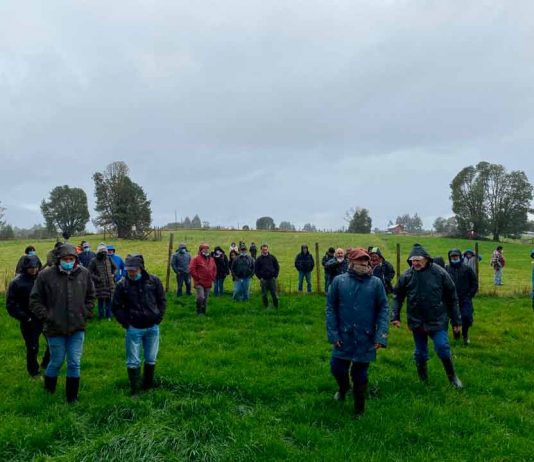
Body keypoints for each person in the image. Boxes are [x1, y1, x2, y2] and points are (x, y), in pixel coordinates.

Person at [326, 248, 389, 416]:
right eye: (359, 260)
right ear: (351, 262)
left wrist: (381, 335)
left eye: (366, 260)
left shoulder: (376, 283)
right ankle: (343, 387)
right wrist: (333, 333)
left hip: (365, 336)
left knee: (359, 374)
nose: (363, 263)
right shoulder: (338, 281)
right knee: (337, 367)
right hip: (343, 335)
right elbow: (330, 308)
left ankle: (359, 409)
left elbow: (384, 308)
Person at [29, 244, 95, 402]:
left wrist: (85, 312)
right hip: (54, 327)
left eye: (71, 259)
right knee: (57, 360)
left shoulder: (84, 274)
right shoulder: (45, 276)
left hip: (77, 327)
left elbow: (91, 295)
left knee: (74, 362)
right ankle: (49, 391)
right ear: (59, 260)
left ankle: (72, 398)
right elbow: (34, 300)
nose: (68, 261)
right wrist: (47, 316)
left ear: (76, 259)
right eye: (65, 259)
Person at [392, 243, 463, 388]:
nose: (415, 262)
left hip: (437, 319)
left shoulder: (440, 273)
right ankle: (423, 381)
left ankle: (453, 378)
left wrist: (456, 321)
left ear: (426, 259)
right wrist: (395, 316)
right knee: (420, 353)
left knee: (442, 347)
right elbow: (397, 296)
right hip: (416, 320)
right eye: (413, 260)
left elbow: (452, 297)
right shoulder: (407, 275)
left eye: (418, 259)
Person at [112, 254, 166, 394]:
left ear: (141, 268)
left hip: (152, 327)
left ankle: (148, 386)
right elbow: (116, 307)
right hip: (134, 328)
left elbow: (162, 300)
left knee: (151, 358)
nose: (131, 273)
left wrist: (158, 317)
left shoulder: (153, 281)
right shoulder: (122, 285)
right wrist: (126, 323)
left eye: (134, 270)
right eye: (129, 270)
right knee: (133, 360)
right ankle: (135, 390)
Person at [7, 256, 50, 377]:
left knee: (53, 344)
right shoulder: (16, 282)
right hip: (29, 320)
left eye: (36, 267)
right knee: (33, 347)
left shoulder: (42, 279)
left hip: (44, 317)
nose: (34, 270)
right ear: (25, 267)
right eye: (31, 268)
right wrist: (25, 318)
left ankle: (46, 365)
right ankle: (33, 372)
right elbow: (11, 305)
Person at [445, 249, 478, 345]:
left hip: (465, 298)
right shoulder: (446, 269)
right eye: (452, 256)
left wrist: (469, 295)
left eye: (456, 256)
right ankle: (456, 333)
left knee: (467, 317)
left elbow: (474, 283)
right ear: (450, 257)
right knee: (454, 317)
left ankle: (465, 334)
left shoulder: (467, 269)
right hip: (451, 299)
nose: (454, 258)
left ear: (459, 256)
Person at [88, 243, 117, 320]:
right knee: (101, 302)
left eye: (105, 251)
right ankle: (101, 316)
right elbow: (89, 272)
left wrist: (113, 274)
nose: (104, 253)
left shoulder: (108, 259)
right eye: (102, 251)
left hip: (110, 284)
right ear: (98, 252)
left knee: (109, 301)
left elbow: (115, 268)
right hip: (99, 285)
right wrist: (98, 278)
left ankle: (108, 316)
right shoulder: (94, 260)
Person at [189, 243, 217, 315]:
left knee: (206, 299)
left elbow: (214, 269)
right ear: (201, 250)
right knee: (201, 297)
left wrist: (213, 277)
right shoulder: (196, 259)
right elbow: (192, 269)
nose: (206, 250)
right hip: (199, 282)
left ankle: (203, 312)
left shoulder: (211, 259)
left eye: (207, 248)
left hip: (208, 281)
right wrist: (197, 278)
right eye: (204, 249)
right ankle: (199, 311)